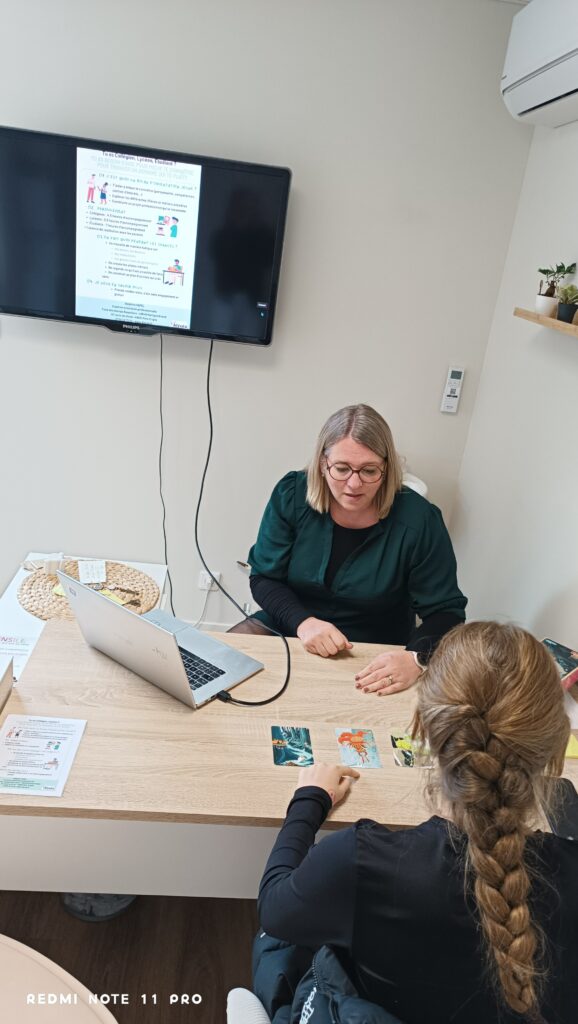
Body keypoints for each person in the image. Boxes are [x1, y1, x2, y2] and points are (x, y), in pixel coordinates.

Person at [256, 622, 577, 1023]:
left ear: (422, 727)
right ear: (555, 746)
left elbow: (274, 910)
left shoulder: (360, 862)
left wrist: (308, 801)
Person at [234, 404, 467, 693]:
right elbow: (264, 578)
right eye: (342, 469)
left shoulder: (419, 520)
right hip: (292, 624)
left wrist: (416, 659)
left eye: (369, 471)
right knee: (220, 670)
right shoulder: (292, 494)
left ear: (387, 468)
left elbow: (446, 612)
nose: (354, 484)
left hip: (374, 645)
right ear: (323, 463)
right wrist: (304, 623)